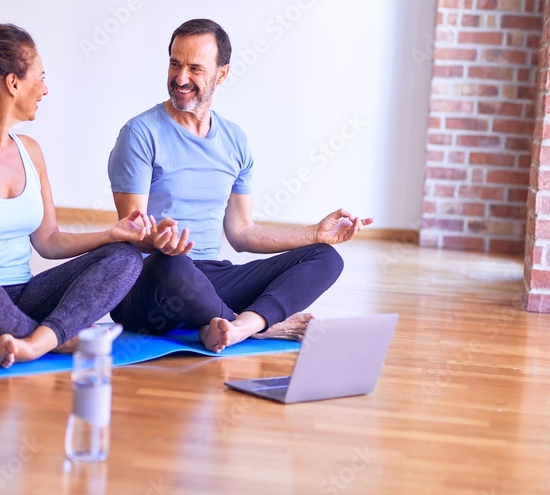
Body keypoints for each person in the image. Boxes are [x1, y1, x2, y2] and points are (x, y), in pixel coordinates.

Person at [107, 18, 373, 352]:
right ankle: (259, 326)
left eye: (195, 68)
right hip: (149, 285)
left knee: (326, 258)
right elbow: (133, 234)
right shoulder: (140, 134)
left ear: (222, 74)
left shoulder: (234, 140)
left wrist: (316, 233)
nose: (180, 78)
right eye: (175, 64)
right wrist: (157, 239)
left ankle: (238, 325)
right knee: (170, 264)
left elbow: (242, 233)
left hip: (208, 279)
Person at [0, 23, 154, 368]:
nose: (46, 89)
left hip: (21, 296)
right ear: (13, 82)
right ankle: (54, 338)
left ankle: (36, 341)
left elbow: (48, 242)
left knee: (125, 258)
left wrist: (112, 234)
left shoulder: (31, 152)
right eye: (41, 76)